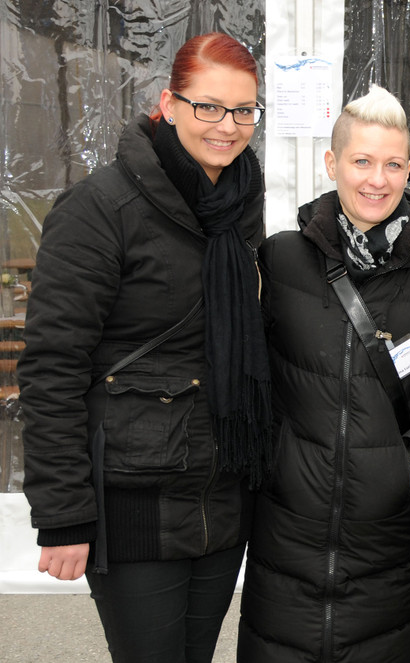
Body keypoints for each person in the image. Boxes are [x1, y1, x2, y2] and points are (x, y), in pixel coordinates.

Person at [16, 32, 271, 662]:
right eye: (209, 106)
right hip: (135, 499)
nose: (228, 126)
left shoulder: (239, 203)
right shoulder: (100, 207)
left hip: (221, 491)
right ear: (169, 104)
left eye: (243, 110)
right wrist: (63, 513)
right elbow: (52, 368)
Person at [236, 85, 410, 662]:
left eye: (393, 164)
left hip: (387, 532)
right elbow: (252, 378)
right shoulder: (282, 258)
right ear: (332, 163)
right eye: (361, 161)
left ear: (408, 170)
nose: (376, 180)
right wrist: (273, 462)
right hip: (288, 530)